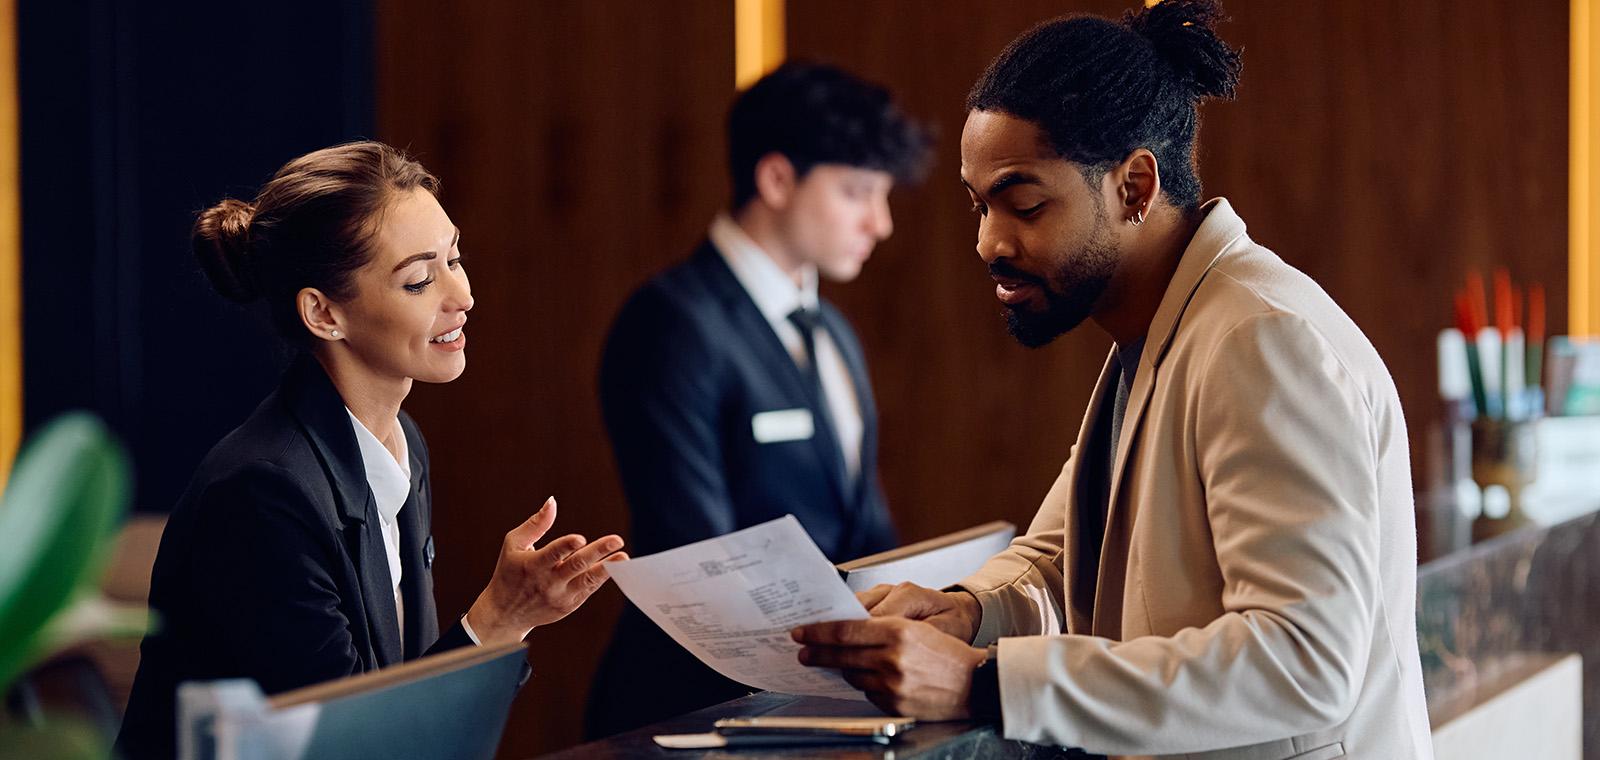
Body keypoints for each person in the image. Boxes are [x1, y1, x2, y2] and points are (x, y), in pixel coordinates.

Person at [791, 3, 1434, 758]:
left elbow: (1304, 661)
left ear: (1134, 186)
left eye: (1024, 204)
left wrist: (983, 683)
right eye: (979, 206)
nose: (989, 242)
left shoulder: (1261, 340)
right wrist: (964, 611)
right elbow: (1061, 556)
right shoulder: (1159, 330)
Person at [117, 142, 627, 760]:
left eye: (454, 259)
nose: (462, 295)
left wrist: (510, 617)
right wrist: (499, 616)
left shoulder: (400, 441)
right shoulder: (261, 492)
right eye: (419, 280)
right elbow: (352, 745)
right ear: (323, 313)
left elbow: (400, 704)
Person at [584, 62, 932, 737]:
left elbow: (867, 528)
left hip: (822, 702)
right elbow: (696, 551)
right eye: (857, 192)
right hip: (693, 708)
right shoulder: (671, 321)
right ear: (776, 179)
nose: (881, 223)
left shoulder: (834, 331)